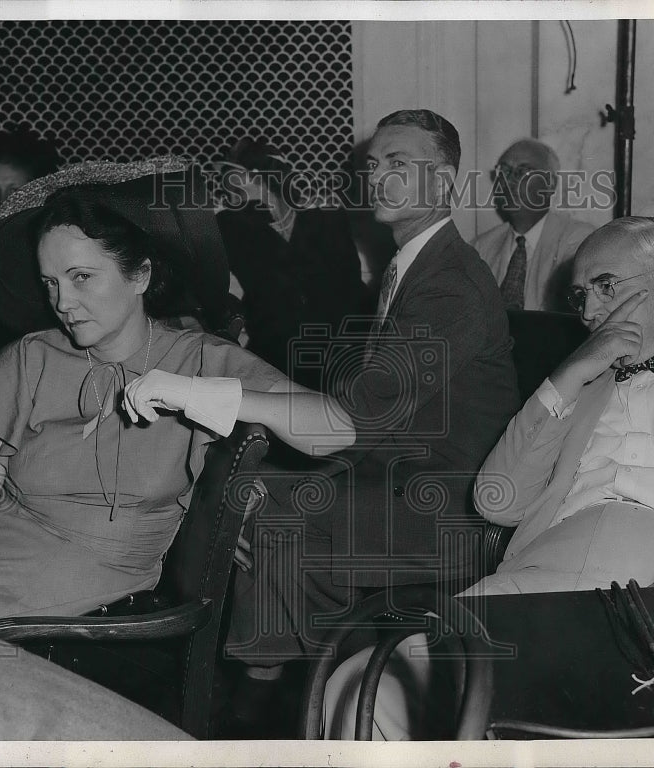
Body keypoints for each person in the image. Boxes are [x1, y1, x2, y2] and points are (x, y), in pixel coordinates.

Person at [323, 215, 654, 739]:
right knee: (358, 685)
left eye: (606, 287)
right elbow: (496, 500)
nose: (589, 311)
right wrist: (567, 376)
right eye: (580, 296)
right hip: (537, 579)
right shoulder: (577, 385)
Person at [0, 157, 355, 634]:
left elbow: (336, 429)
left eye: (81, 277)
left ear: (140, 275)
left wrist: (203, 395)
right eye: (50, 283)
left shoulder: (198, 360)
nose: (62, 303)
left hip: (76, 608)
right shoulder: (28, 358)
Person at [222, 109, 519, 732]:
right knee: (244, 499)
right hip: (398, 482)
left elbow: (358, 416)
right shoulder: (411, 264)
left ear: (444, 184)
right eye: (374, 164)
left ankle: (261, 707)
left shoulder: (451, 285)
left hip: (453, 513)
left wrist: (226, 397)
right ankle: (309, 687)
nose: (378, 177)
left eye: (398, 165)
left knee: (274, 521)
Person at [215, 138, 370, 390]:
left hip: (337, 357)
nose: (226, 187)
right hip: (273, 359)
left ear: (260, 175)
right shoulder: (231, 227)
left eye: (233, 176)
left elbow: (351, 289)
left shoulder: (328, 221)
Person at [473, 138, 594, 311]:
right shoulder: (482, 247)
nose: (509, 181)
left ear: (550, 184)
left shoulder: (579, 241)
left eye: (523, 171)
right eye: (505, 171)